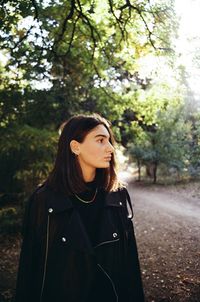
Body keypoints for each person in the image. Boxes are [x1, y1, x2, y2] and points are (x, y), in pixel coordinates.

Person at [15, 113, 145, 302]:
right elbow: (30, 270)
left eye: (109, 141)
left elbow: (130, 265)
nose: (110, 148)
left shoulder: (117, 195)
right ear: (75, 147)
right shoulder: (43, 200)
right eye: (100, 140)